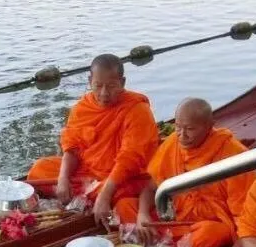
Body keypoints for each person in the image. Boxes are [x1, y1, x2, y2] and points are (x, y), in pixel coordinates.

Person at [28, 54, 160, 226]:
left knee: (123, 197)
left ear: (123, 82)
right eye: (98, 86)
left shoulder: (137, 110)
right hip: (87, 174)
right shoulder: (83, 107)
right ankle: (86, 195)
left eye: (111, 86)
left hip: (122, 178)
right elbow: (72, 148)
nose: (104, 93)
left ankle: (97, 198)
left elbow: (130, 160)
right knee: (39, 170)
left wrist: (105, 194)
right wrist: (63, 178)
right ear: (90, 81)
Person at [113, 97, 255, 247]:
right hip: (170, 218)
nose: (182, 135)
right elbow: (151, 189)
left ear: (210, 126)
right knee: (125, 205)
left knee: (215, 232)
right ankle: (156, 244)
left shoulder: (235, 155)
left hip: (201, 225)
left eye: (189, 129)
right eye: (178, 127)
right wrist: (143, 214)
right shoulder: (173, 142)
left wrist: (243, 244)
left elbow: (245, 212)